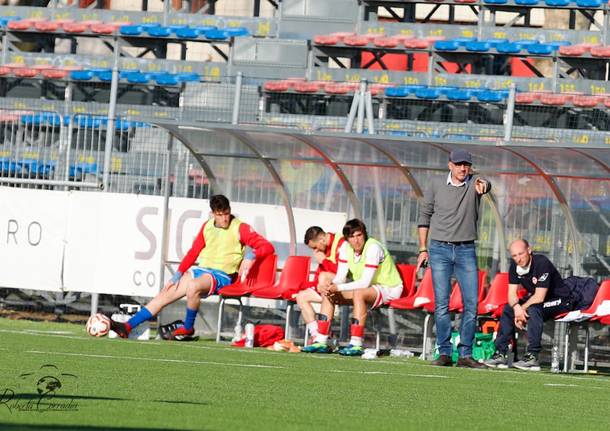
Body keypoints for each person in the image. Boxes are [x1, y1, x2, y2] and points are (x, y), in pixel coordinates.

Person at [110, 194, 275, 340]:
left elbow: (267, 247)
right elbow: (193, 252)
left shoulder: (240, 227)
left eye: (226, 213)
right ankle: (127, 327)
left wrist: (251, 256)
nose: (224, 218)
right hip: (201, 271)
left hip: (223, 276)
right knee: (165, 293)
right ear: (212, 214)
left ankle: (188, 327)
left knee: (193, 286)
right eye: (220, 215)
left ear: (230, 210)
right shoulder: (207, 226)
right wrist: (177, 275)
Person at [417, 149, 491, 368]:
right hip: (439, 249)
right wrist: (423, 249)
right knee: (442, 304)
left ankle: (466, 354)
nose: (462, 168)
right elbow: (424, 216)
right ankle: (445, 352)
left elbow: (486, 184)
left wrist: (485, 186)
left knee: (471, 304)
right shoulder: (435, 185)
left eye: (466, 164)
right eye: (458, 164)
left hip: (465, 249)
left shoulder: (474, 184)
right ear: (450, 165)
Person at [484, 239, 599, 371]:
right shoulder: (514, 266)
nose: (518, 259)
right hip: (540, 302)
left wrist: (522, 308)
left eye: (521, 254)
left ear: (529, 250)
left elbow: (539, 297)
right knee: (507, 309)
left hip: (562, 300)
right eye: (514, 255)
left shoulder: (541, 263)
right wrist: (517, 309)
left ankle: (532, 356)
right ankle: (500, 353)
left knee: (534, 309)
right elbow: (511, 294)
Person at [302, 219, 403, 356]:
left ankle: (356, 343)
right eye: (351, 236)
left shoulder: (373, 247)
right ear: (347, 239)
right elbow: (340, 276)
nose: (356, 240)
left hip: (390, 288)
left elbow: (365, 283)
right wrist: (332, 286)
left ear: (364, 235)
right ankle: (321, 340)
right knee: (328, 293)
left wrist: (338, 287)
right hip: (367, 288)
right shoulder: (346, 248)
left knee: (358, 293)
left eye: (359, 235)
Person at [295, 226, 346, 340]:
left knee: (324, 277)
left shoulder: (342, 244)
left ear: (321, 240)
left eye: (315, 247)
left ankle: (325, 334)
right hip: (328, 288)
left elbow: (342, 273)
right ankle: (316, 334)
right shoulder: (324, 249)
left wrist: (323, 260)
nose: (316, 251)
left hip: (344, 287)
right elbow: (320, 275)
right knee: (301, 296)